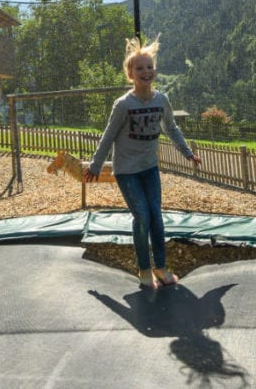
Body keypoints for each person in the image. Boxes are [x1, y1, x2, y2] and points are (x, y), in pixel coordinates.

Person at [84, 36, 201, 289]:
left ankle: (160, 266)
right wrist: (95, 165)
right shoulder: (123, 104)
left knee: (156, 217)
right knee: (143, 216)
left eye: (149, 67)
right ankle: (144, 268)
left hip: (149, 168)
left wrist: (187, 152)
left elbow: (171, 128)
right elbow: (108, 136)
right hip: (127, 171)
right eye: (139, 68)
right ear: (130, 74)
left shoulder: (161, 100)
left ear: (154, 71)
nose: (145, 72)